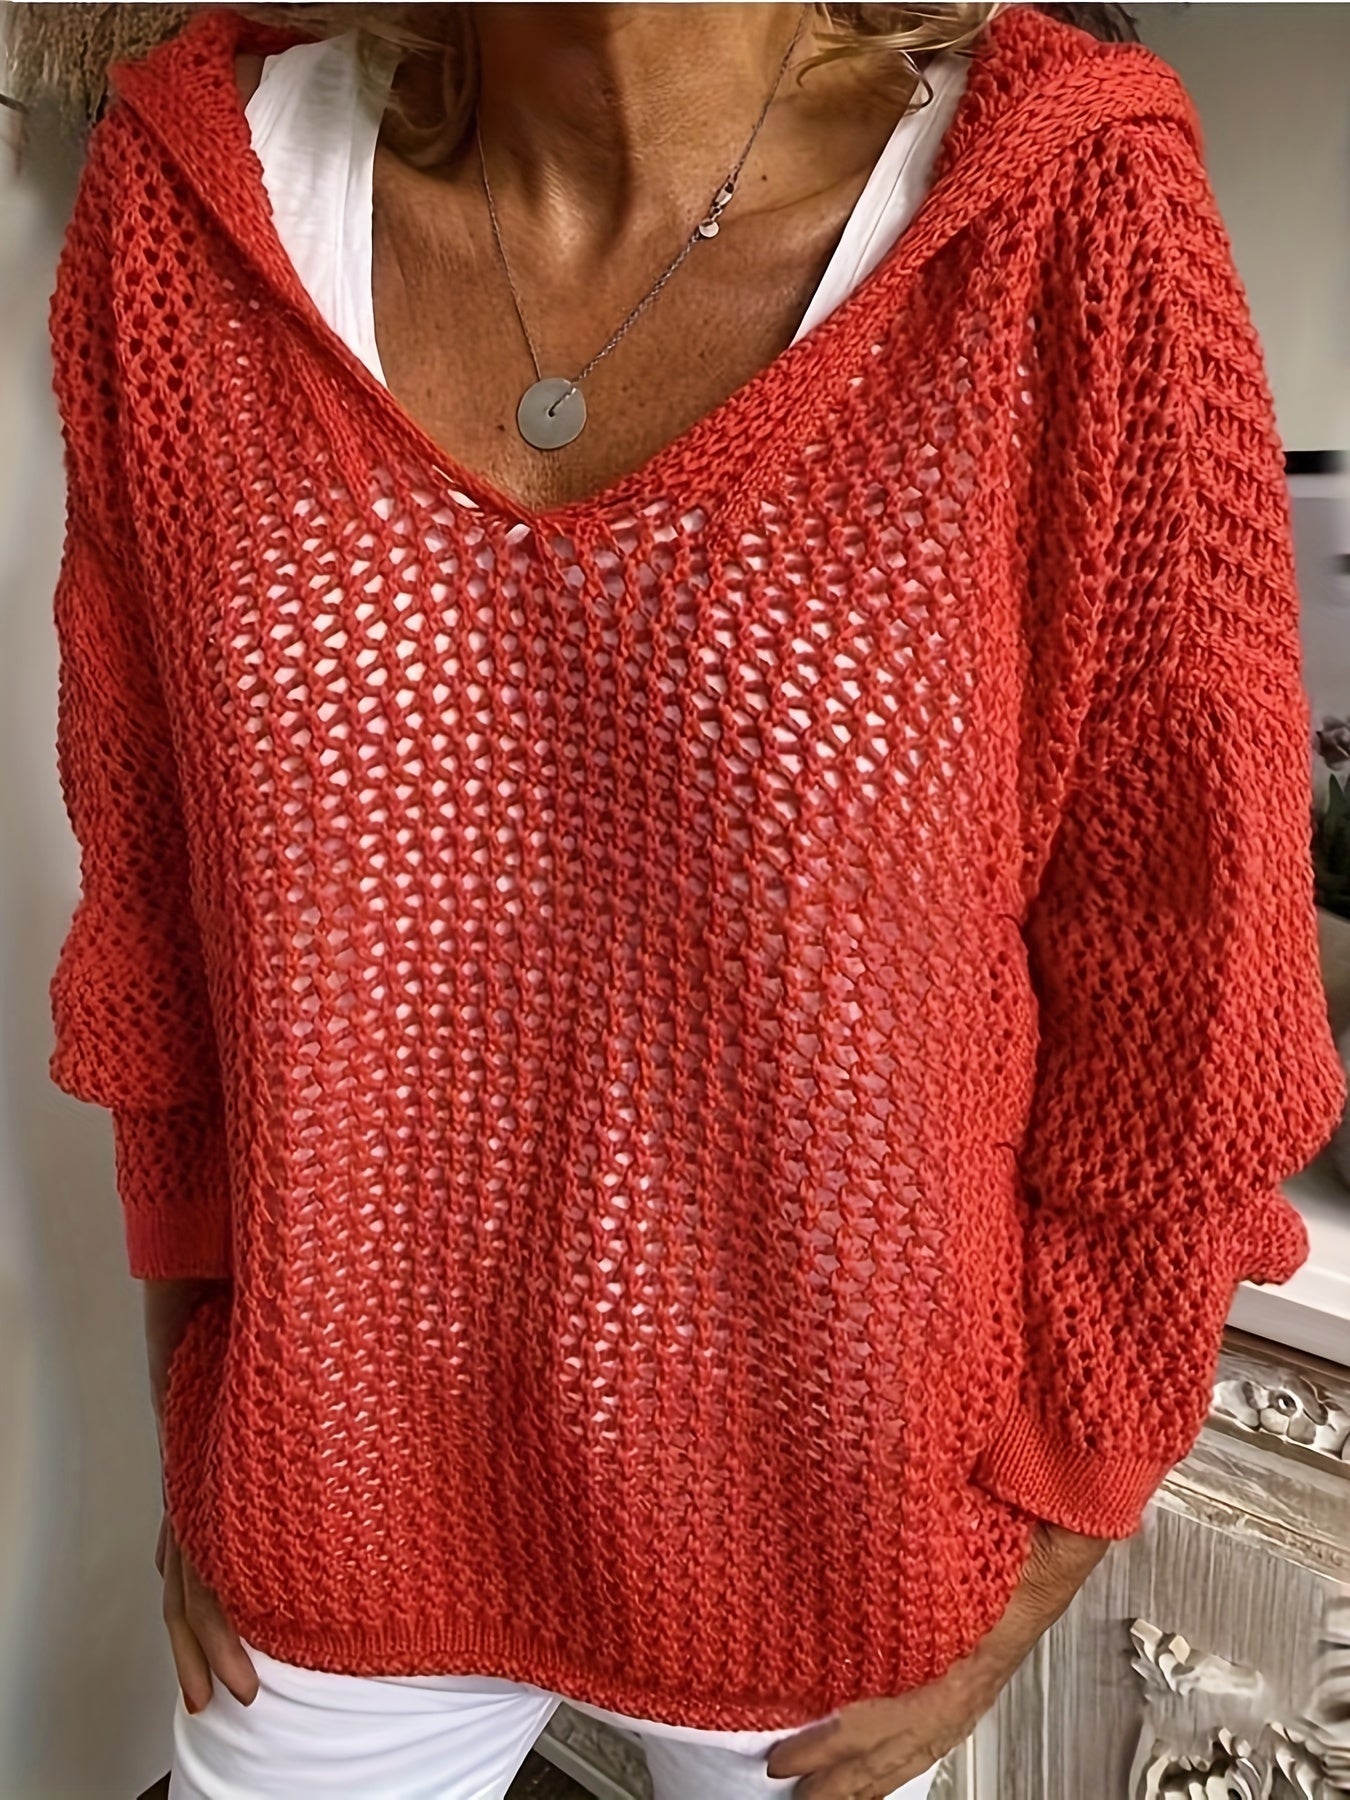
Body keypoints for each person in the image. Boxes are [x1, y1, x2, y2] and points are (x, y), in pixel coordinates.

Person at [41, 2, 1345, 1797]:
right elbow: (156, 906)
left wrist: (1053, 1532)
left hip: (831, 1545)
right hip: (328, 1506)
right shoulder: (197, 199)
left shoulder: (1060, 216)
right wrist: (194, 1410)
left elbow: (1186, 970)